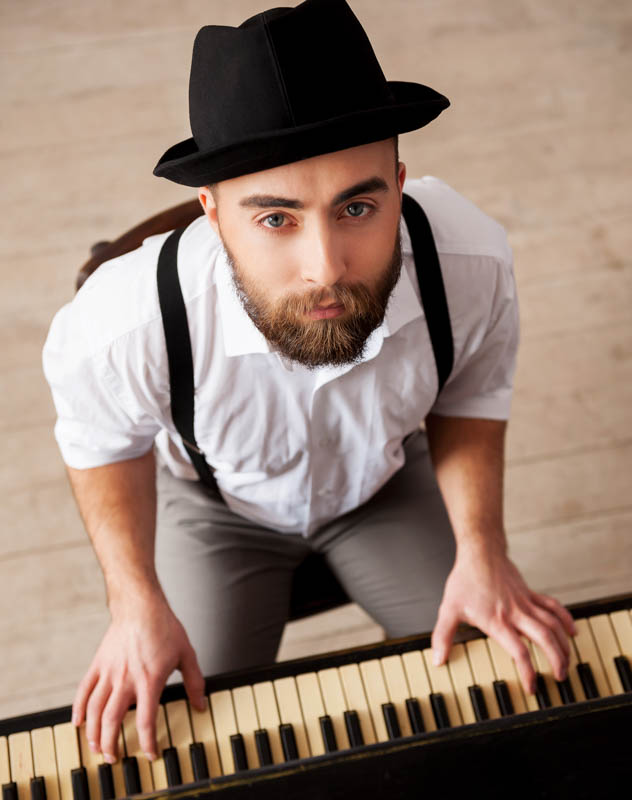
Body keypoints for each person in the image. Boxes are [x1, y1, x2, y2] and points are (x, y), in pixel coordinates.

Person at [42, 0, 576, 769]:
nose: (326, 267)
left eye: (358, 206)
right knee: (181, 746)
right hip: (216, 509)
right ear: (213, 214)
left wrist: (484, 549)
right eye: (276, 219)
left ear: (398, 184)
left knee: (512, 695)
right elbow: (99, 443)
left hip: (386, 487)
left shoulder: (469, 263)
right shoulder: (122, 322)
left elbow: (471, 393)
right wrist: (133, 605)